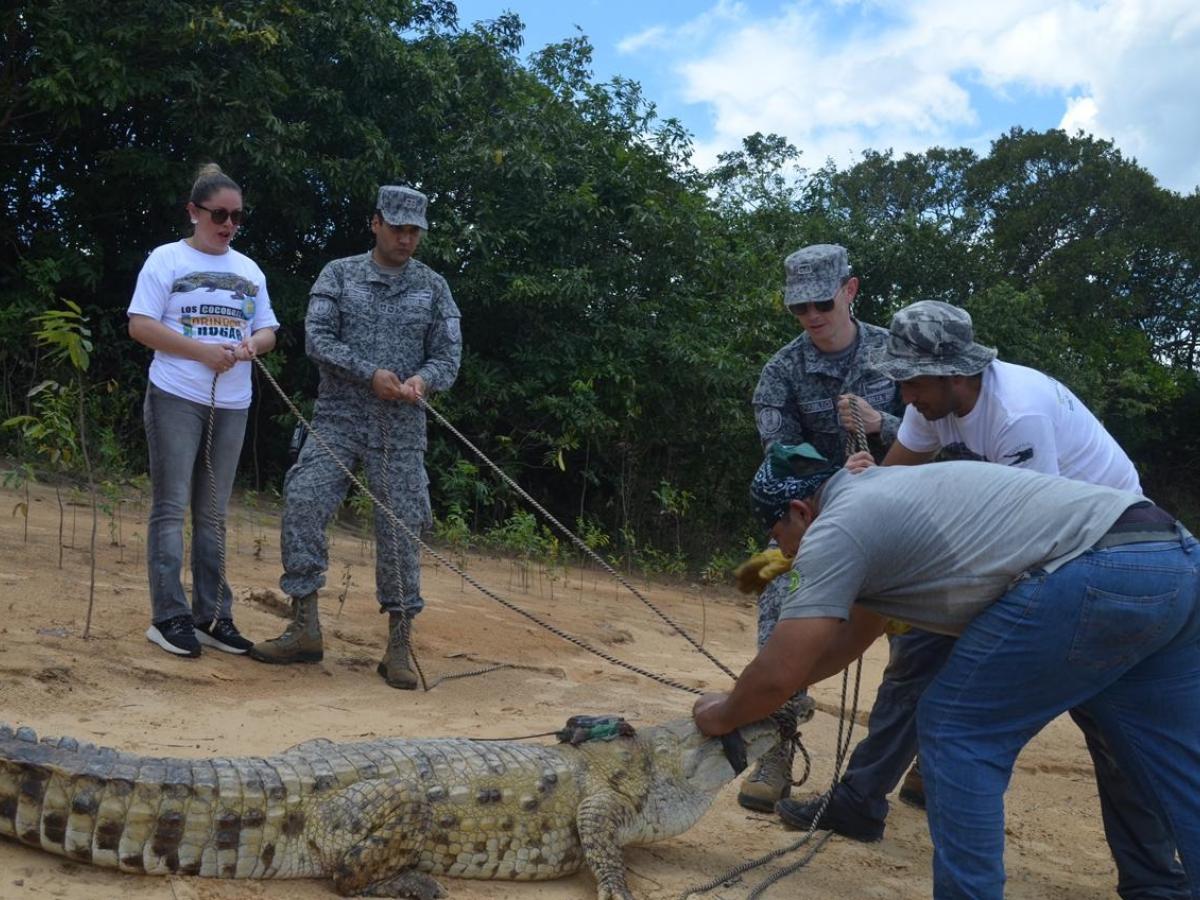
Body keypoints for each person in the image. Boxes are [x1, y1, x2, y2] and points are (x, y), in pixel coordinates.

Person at [775, 300, 1189, 897]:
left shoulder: (1018, 414)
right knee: (918, 658)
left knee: (1095, 720)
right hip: (1050, 551)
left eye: (913, 381)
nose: (905, 395)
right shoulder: (933, 404)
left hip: (1097, 557)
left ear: (955, 373)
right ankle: (862, 800)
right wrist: (856, 489)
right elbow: (892, 485)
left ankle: (1156, 881)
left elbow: (1030, 533)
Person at [694, 443, 1200, 899]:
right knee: (1167, 757)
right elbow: (850, 637)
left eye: (776, 532)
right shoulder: (883, 495)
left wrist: (724, 713)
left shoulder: (837, 526)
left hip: (1091, 572)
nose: (780, 550)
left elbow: (781, 669)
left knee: (957, 729)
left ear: (800, 511)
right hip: (1170, 556)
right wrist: (769, 696)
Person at [249, 185, 462, 689]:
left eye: (415, 231)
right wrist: (369, 373)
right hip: (338, 419)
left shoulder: (434, 287)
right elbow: (318, 340)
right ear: (376, 223)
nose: (407, 239)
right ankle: (304, 629)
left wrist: (422, 381)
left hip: (401, 428)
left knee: (401, 529)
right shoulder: (339, 275)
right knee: (303, 501)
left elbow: (448, 357)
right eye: (398, 228)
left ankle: (398, 645)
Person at [736, 243, 903, 812]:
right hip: (816, 519)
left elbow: (950, 429)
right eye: (798, 308)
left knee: (929, 630)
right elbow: (780, 461)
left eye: (821, 303)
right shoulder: (781, 371)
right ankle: (778, 743)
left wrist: (885, 427)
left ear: (850, 290)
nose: (811, 317)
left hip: (906, 516)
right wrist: (836, 477)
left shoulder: (898, 353)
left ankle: (925, 752)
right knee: (769, 586)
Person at [128, 163, 279, 658]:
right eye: (219, 214)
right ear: (194, 212)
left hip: (232, 402)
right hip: (175, 394)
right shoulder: (165, 259)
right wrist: (201, 352)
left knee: (213, 514)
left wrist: (252, 346)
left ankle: (213, 617)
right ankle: (168, 616)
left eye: (236, 216)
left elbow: (268, 331)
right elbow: (141, 326)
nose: (228, 225)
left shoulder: (249, 270)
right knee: (170, 509)